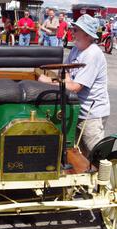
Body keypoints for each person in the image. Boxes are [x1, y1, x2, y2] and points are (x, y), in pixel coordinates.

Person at [39, 14, 110, 158]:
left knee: (95, 158)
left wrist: (48, 81)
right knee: (77, 154)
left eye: (76, 29)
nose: (72, 31)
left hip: (91, 114)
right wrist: (66, 79)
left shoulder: (92, 54)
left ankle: (105, 180)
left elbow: (76, 87)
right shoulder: (76, 49)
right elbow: (64, 71)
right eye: (73, 28)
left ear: (87, 34)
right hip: (76, 109)